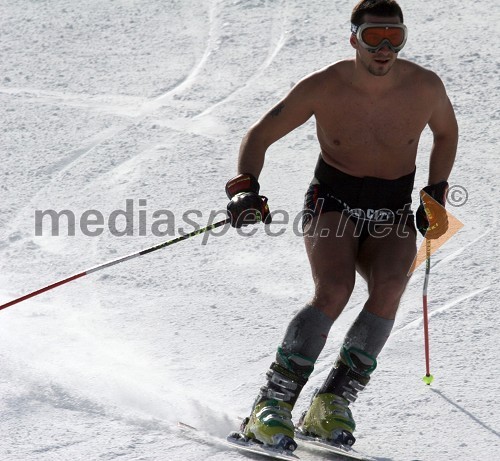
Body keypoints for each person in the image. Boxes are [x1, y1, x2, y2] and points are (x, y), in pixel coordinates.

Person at [225, 0, 458, 452]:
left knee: (391, 285)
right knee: (334, 289)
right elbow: (260, 134)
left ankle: (331, 401)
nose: (385, 48)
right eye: (374, 37)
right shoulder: (324, 86)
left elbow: (446, 132)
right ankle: (271, 404)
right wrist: (245, 189)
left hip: (392, 206)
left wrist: (436, 193)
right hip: (333, 200)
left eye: (395, 37)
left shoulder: (425, 86)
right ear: (354, 37)